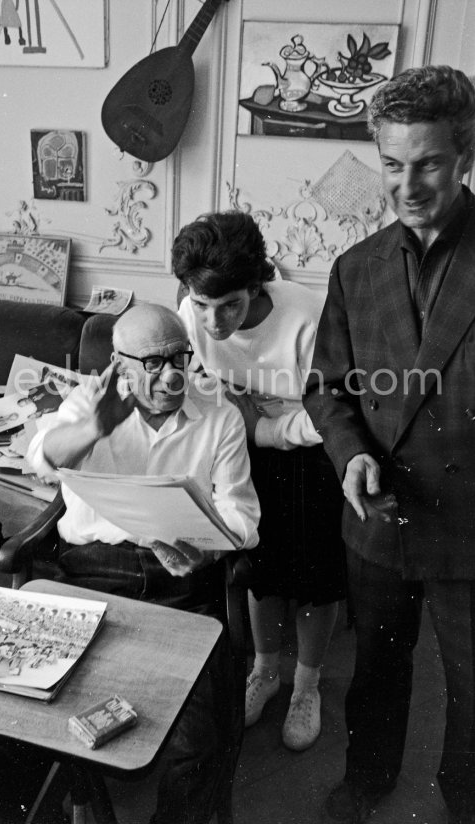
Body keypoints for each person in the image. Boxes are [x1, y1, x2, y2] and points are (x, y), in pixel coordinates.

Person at [0, 302, 260, 824]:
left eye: (181, 356)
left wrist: (206, 544)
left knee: (198, 742)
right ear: (118, 363)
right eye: (154, 363)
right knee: (10, 721)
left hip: (180, 587)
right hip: (88, 578)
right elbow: (39, 458)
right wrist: (95, 428)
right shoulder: (87, 401)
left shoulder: (218, 415)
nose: (173, 374)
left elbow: (242, 518)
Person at [303, 65, 475, 824]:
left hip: (471, 523)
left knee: (473, 687)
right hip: (378, 515)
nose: (409, 184)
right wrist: (352, 455)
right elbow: (327, 387)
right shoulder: (356, 267)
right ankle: (366, 781)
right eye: (393, 164)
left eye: (429, 162)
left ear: (464, 157)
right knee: (375, 666)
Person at [172, 211, 346, 751]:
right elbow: (207, 386)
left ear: (257, 284)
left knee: (317, 575)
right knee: (257, 570)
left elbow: (333, 410)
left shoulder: (306, 316)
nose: (214, 322)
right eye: (202, 305)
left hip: (312, 452)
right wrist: (236, 416)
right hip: (237, 446)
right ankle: (266, 673)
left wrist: (263, 426)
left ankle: (307, 687)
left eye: (229, 305)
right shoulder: (192, 311)